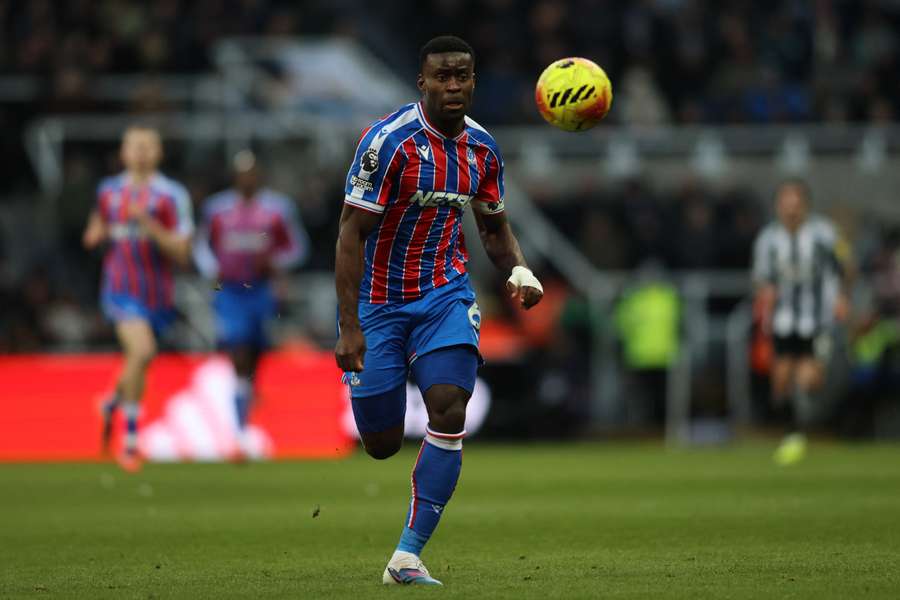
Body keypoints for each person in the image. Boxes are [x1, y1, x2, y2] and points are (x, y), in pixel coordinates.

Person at [334, 35, 544, 586]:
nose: (453, 86)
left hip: (444, 294)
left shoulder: (483, 149)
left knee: (449, 408)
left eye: (463, 77)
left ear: (474, 81)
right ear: (421, 82)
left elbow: (493, 225)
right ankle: (376, 400)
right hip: (379, 303)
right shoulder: (388, 144)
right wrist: (349, 325)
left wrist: (516, 268)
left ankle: (407, 555)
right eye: (442, 77)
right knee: (380, 443)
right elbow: (350, 234)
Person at [82, 125, 193, 472]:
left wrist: (149, 225)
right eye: (135, 146)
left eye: (148, 146)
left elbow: (182, 251)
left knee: (139, 359)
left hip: (157, 293)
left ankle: (112, 400)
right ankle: (130, 442)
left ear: (158, 152)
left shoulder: (171, 195)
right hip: (119, 289)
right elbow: (92, 233)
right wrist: (98, 233)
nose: (141, 152)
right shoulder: (108, 191)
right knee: (143, 351)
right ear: (124, 152)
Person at [193, 150, 308, 457]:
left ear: (259, 176)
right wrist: (211, 267)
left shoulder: (277, 209)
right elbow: (202, 246)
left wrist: (276, 261)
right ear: (235, 177)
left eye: (252, 173)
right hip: (231, 291)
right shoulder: (217, 209)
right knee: (239, 350)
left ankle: (247, 402)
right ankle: (240, 431)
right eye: (242, 174)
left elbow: (297, 247)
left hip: (262, 290)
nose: (247, 179)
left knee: (257, 352)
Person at [752, 179, 850, 465]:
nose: (791, 210)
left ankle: (813, 426)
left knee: (808, 380)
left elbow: (843, 267)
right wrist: (765, 295)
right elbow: (761, 277)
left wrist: (842, 296)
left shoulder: (824, 234)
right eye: (786, 203)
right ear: (778, 207)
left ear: (805, 205)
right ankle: (793, 436)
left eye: (796, 203)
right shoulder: (768, 239)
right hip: (783, 319)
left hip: (817, 319)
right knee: (780, 381)